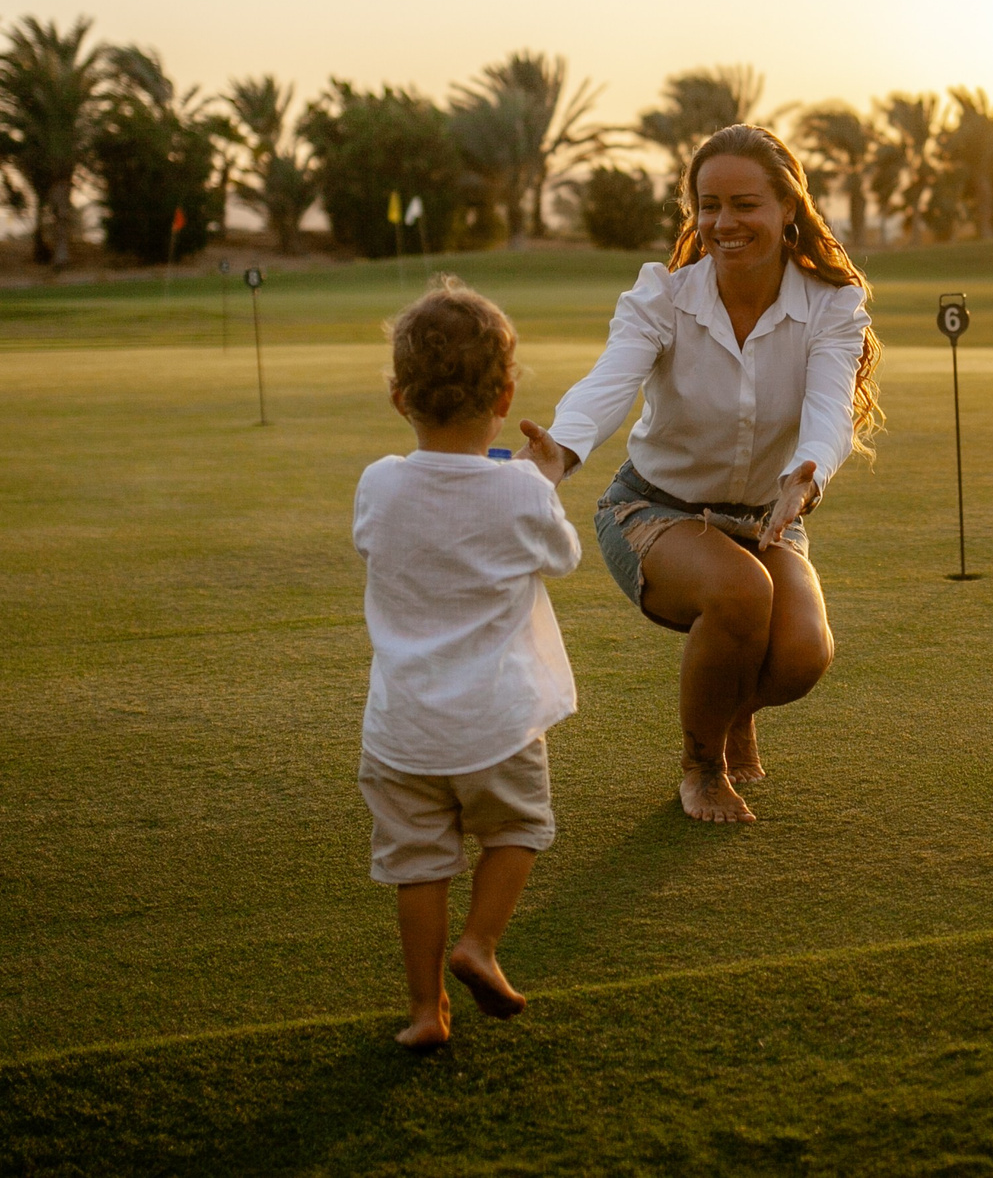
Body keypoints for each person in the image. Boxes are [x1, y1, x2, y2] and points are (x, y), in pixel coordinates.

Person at [517, 123, 881, 824]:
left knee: (804, 655)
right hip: (655, 509)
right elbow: (610, 381)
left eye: (745, 203)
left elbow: (830, 407)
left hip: (766, 517)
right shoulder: (662, 295)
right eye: (707, 205)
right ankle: (702, 765)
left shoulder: (831, 305)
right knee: (742, 591)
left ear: (786, 209)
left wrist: (804, 475)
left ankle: (733, 702)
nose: (724, 222)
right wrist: (559, 450)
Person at [354, 277, 582, 1049]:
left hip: (402, 727)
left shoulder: (377, 483)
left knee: (419, 867)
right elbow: (563, 553)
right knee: (518, 826)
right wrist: (541, 479)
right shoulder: (520, 490)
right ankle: (479, 943)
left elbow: (389, 536)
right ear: (506, 392)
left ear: (398, 396)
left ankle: (426, 1010)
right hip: (497, 721)